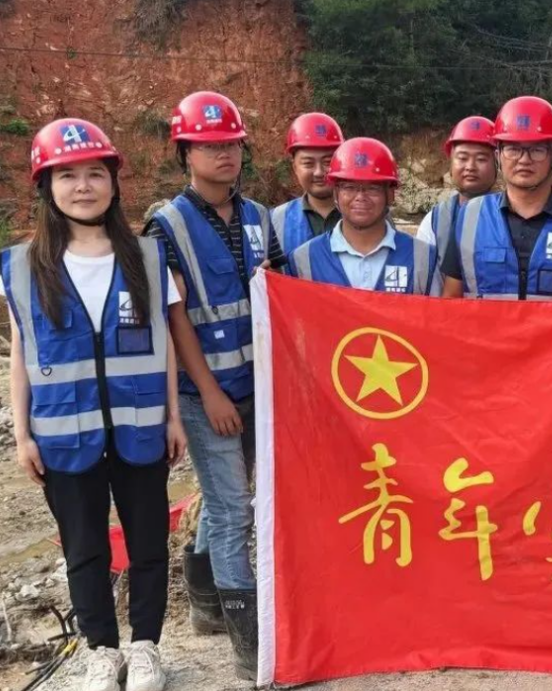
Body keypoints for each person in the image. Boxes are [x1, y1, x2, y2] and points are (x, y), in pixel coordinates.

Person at [0, 118, 186, 691]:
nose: (83, 186)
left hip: (140, 428)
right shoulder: (23, 267)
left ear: (113, 183)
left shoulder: (148, 259)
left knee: (148, 543)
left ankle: (146, 647)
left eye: (95, 174)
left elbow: (165, 344)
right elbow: (20, 355)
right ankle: (102, 651)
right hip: (62, 432)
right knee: (84, 550)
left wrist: (174, 417)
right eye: (68, 175)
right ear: (46, 187)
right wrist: (22, 434)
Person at [143, 90, 284, 680]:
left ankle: (204, 602)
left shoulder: (259, 218)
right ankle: (251, 648)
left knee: (229, 497)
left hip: (258, 386)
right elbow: (174, 315)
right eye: (209, 145)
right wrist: (211, 392)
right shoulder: (167, 225)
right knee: (232, 510)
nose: (224, 153)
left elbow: (279, 294)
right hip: (206, 394)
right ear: (185, 153)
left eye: (231, 143)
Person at [441, 96, 552, 301]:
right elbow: (450, 301)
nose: (524, 160)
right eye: (513, 149)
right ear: (498, 156)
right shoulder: (469, 218)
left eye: (537, 150)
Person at [288, 137, 439, 295]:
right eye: (349, 187)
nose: (360, 197)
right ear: (336, 193)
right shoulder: (304, 260)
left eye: (372, 188)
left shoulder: (423, 258)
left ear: (390, 194)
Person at [416, 116, 498, 265]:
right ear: (451, 165)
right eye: (462, 158)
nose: (470, 167)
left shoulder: (510, 217)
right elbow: (422, 272)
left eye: (481, 159)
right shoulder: (435, 221)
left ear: (497, 165)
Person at [270, 112, 345, 256]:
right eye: (308, 163)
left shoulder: (364, 215)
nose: (319, 172)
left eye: (327, 162)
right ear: (295, 168)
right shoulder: (274, 221)